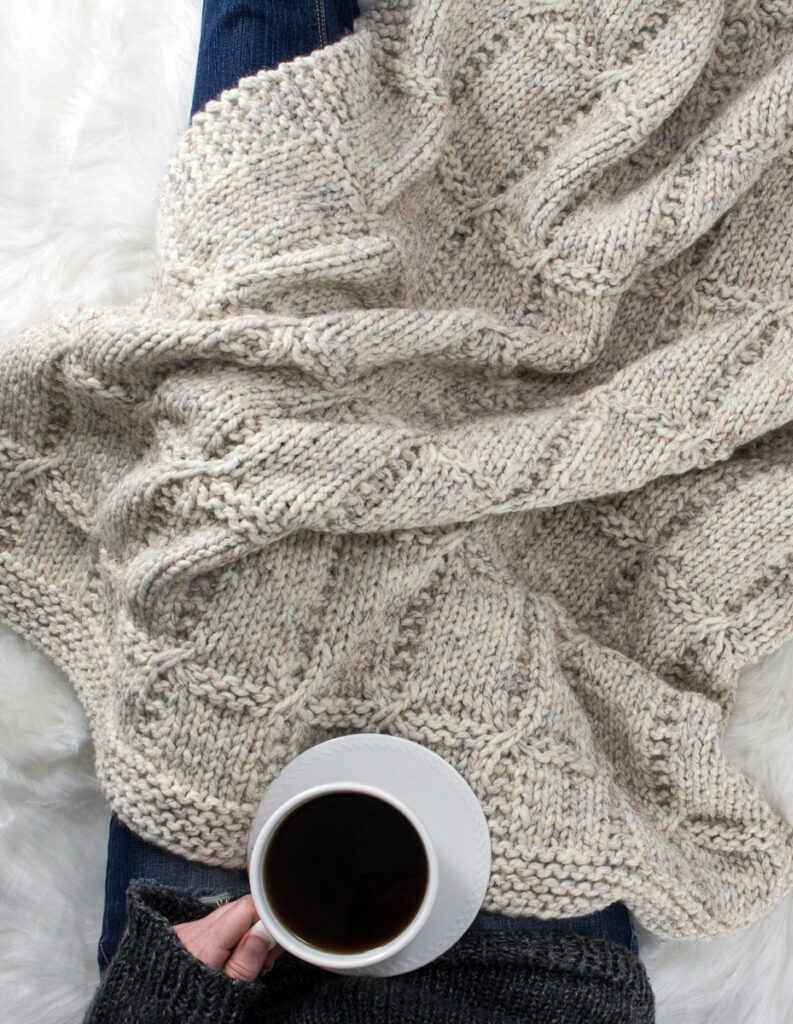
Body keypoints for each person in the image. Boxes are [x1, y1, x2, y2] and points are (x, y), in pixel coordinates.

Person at [82, 3, 657, 1020]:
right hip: (520, 937)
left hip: (236, 910)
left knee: (256, 379)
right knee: (562, 429)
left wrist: (168, 1003)